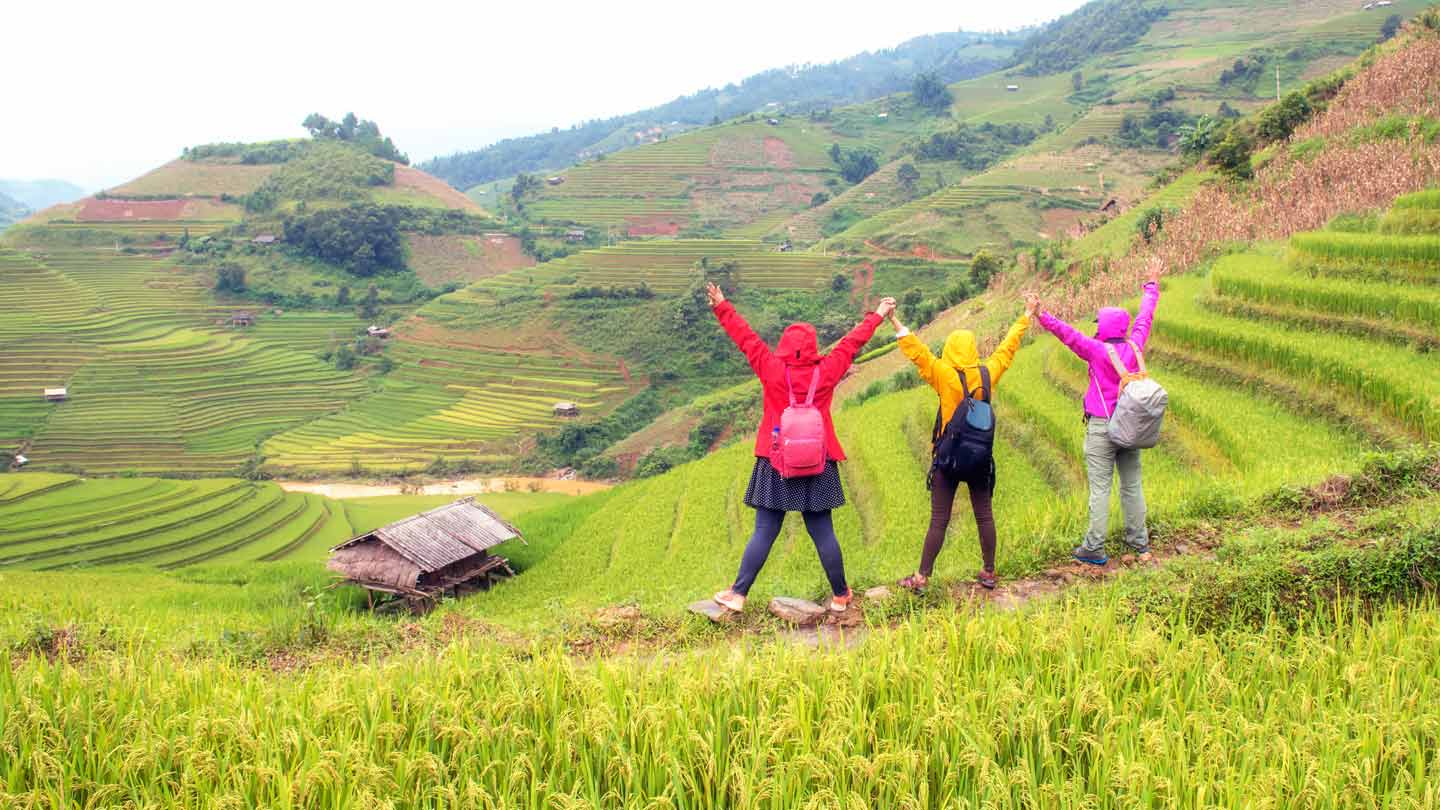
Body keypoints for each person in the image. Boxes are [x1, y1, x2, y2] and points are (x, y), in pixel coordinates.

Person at [709, 282, 894, 613]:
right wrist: (878, 314)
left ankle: (738, 594)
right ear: (812, 347)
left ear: (783, 345)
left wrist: (723, 305)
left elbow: (746, 339)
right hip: (818, 460)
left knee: (765, 530)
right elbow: (852, 344)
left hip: (775, 460)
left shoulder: (771, 368)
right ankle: (840, 596)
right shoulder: (827, 371)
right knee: (822, 530)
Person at [890, 296, 1034, 591]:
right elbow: (1007, 349)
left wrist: (892, 319)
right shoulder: (987, 373)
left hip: (948, 457)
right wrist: (1026, 315)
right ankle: (989, 572)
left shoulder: (944, 375)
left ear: (951, 350)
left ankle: (921, 578)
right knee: (984, 515)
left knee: (939, 520)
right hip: (979, 457)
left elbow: (918, 353)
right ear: (972, 350)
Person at [1033, 260, 1163, 565]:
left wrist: (1041, 314)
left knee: (1100, 489)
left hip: (1102, 428)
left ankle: (1094, 548)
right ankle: (1140, 544)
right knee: (1132, 485)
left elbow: (1067, 334)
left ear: (1103, 327)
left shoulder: (1095, 349)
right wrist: (1152, 284)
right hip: (1131, 427)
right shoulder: (1136, 344)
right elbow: (1145, 317)